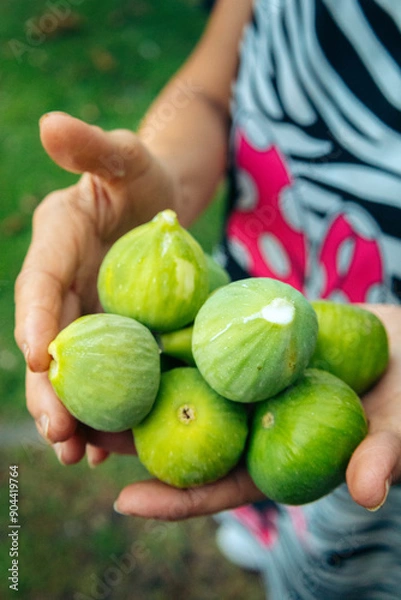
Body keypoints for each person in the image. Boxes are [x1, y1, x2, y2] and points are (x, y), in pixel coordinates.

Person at [14, 0, 401, 597]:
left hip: (367, 333)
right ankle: (260, 534)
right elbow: (213, 84)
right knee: (262, 496)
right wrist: (162, 176)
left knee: (346, 539)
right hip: (265, 265)